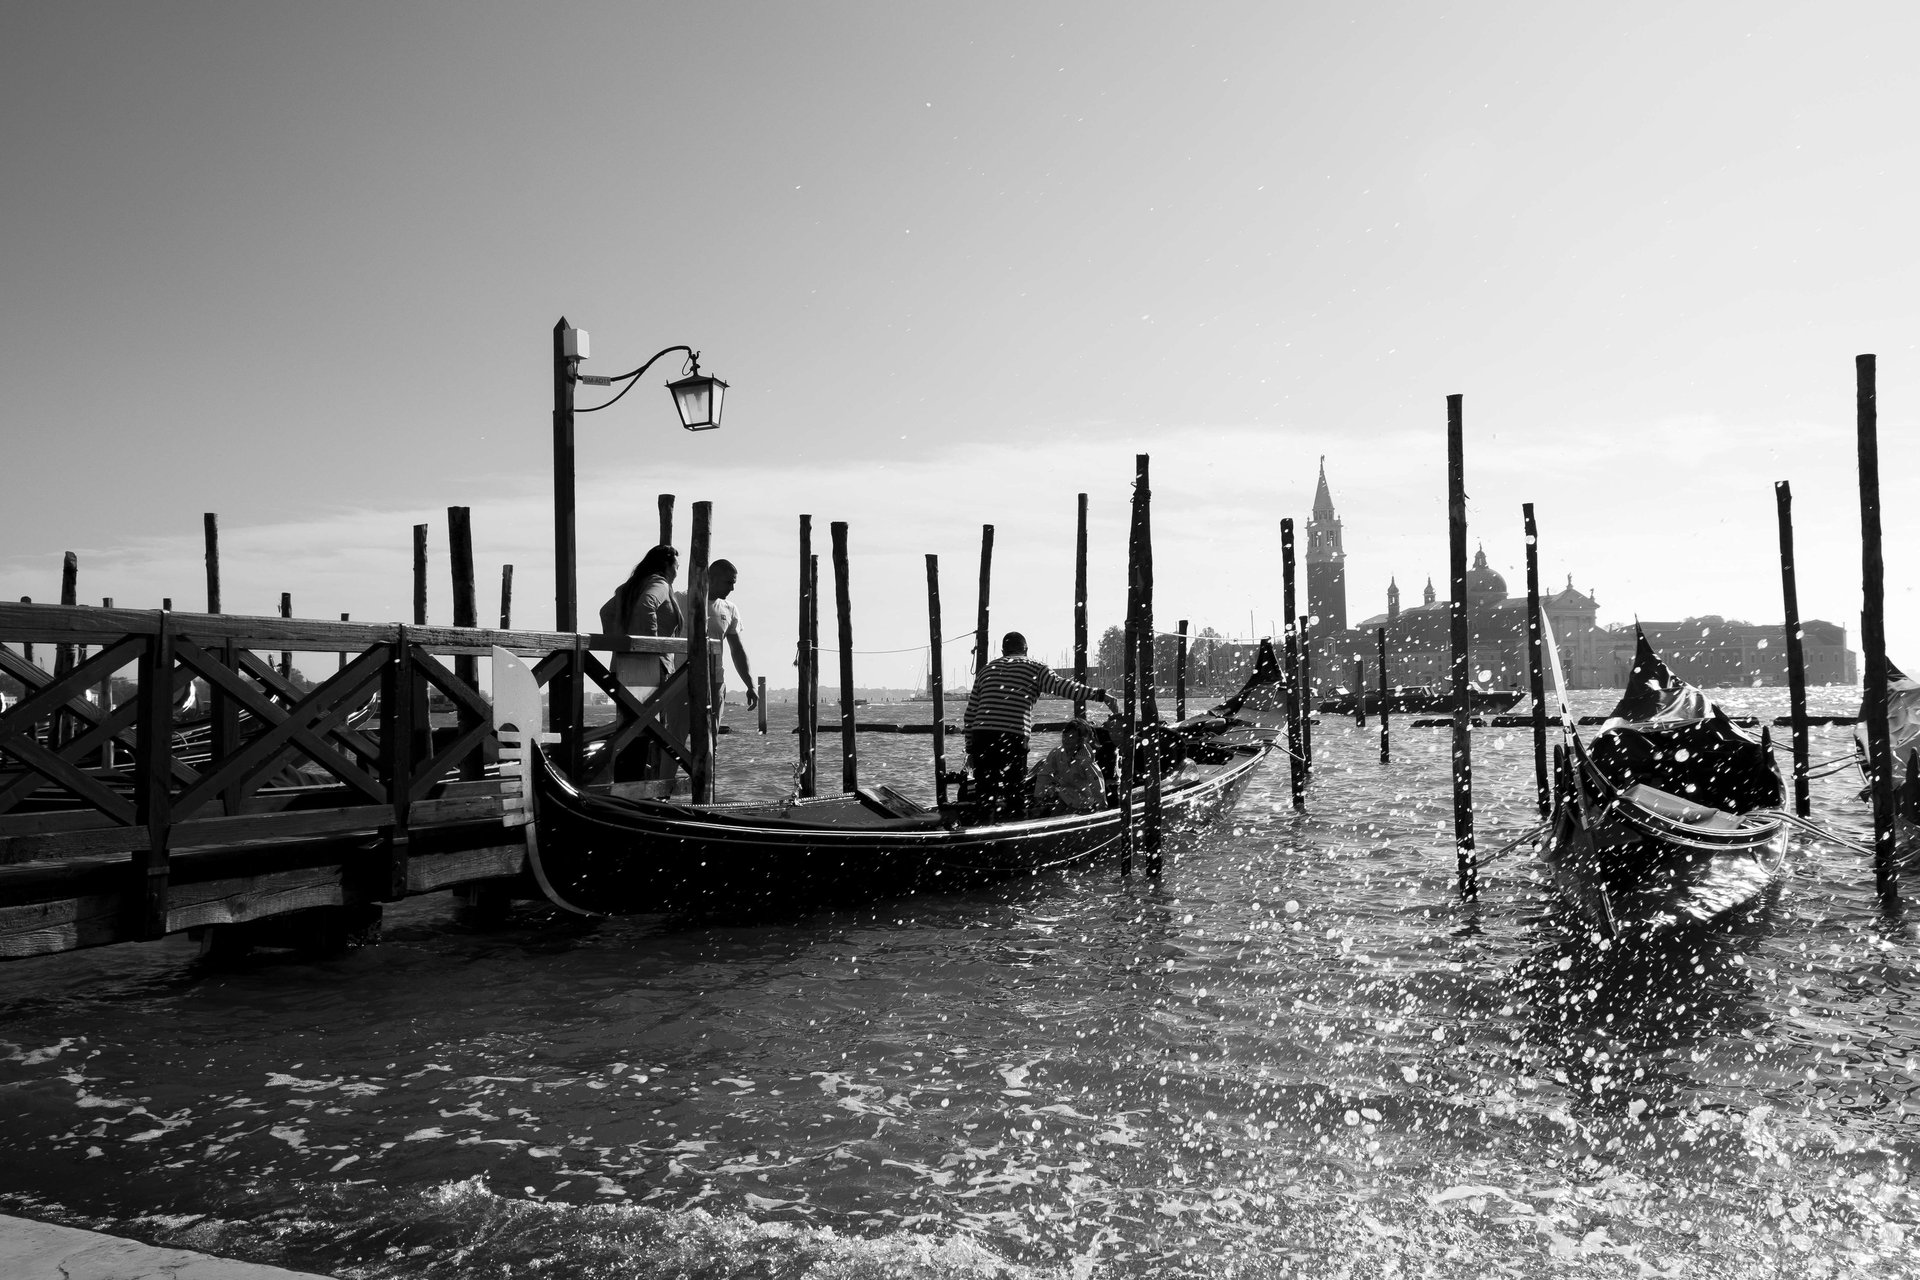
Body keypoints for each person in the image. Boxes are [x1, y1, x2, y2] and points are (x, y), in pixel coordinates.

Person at [963, 631, 1117, 821]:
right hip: (1012, 735)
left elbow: (970, 714)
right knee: (1014, 792)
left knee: (985, 792)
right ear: (1026, 650)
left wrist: (970, 748)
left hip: (982, 735)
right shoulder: (1035, 668)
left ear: (1003, 651)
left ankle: (983, 832)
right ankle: (1015, 834)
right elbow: (1065, 688)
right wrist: (1100, 695)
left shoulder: (986, 670)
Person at [599, 545, 683, 780]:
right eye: (676, 566)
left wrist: (618, 645)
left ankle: (626, 787)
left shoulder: (630, 586)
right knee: (646, 731)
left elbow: (605, 613)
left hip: (623, 667)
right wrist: (651, 648)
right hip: (649, 669)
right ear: (666, 566)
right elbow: (647, 605)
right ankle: (640, 792)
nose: (677, 572)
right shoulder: (659, 584)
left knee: (630, 731)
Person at [704, 559, 757, 730]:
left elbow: (737, 650)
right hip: (681, 680)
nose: (732, 588)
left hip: (715, 681)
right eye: (729, 583)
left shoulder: (730, 609)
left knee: (711, 737)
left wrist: (750, 685)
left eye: (734, 583)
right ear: (711, 578)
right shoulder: (682, 599)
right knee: (676, 735)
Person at [1031, 719, 1109, 816]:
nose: (1066, 740)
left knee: (1066, 817)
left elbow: (1096, 783)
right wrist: (1039, 797)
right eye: (1065, 736)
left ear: (1080, 740)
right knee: (1054, 816)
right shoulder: (1056, 753)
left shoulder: (1085, 760)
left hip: (1085, 801)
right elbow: (1044, 774)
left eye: (1071, 737)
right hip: (1065, 796)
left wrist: (1101, 806)